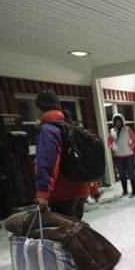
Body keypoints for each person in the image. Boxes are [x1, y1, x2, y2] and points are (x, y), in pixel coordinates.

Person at [34, 89, 97, 220]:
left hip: (63, 192)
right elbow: (85, 160)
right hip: (81, 190)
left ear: (40, 108)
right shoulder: (71, 128)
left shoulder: (48, 130)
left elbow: (48, 161)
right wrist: (93, 186)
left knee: (66, 236)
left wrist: (43, 193)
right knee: (75, 233)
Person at [108, 113, 135, 197]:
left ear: (122, 121)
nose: (118, 123)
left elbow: (134, 139)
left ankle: (134, 191)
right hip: (118, 157)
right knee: (121, 175)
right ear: (114, 122)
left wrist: (130, 147)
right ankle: (125, 191)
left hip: (128, 155)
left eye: (119, 121)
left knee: (131, 173)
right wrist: (112, 147)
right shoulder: (112, 131)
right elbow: (109, 141)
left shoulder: (127, 129)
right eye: (116, 122)